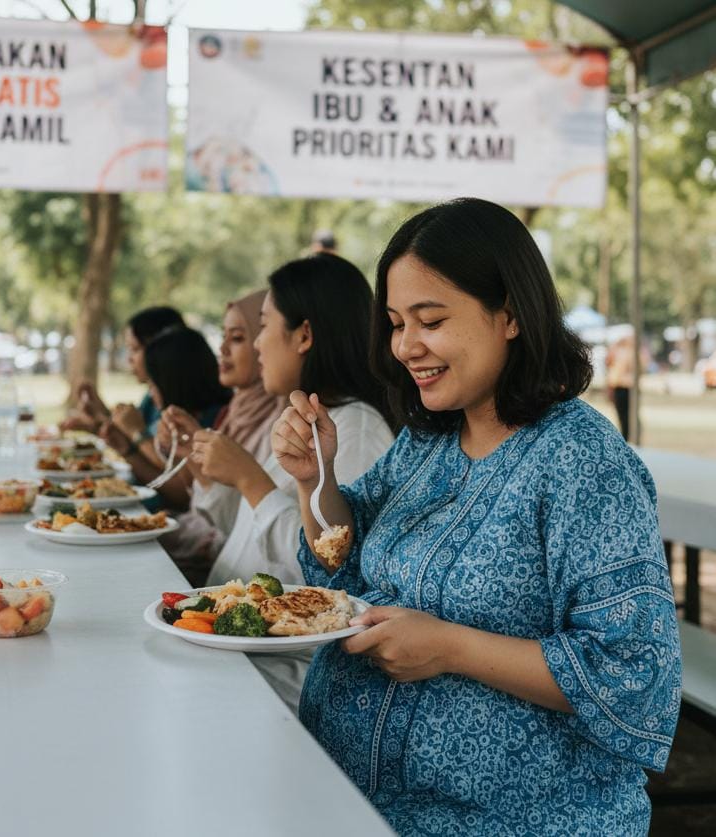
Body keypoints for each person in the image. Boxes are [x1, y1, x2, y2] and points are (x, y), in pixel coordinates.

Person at [273, 198, 680, 834]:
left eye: (430, 320)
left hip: (508, 821)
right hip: (347, 799)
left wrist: (451, 648)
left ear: (510, 315)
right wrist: (314, 479)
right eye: (395, 322)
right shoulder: (425, 441)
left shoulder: (582, 460)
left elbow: (633, 671)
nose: (407, 346)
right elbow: (342, 564)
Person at [172, 254, 396, 710]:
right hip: (236, 644)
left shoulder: (355, 429)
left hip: (284, 669)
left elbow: (327, 570)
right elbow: (243, 526)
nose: (256, 346)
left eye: (264, 326)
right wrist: (205, 471)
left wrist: (251, 480)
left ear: (305, 335)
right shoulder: (300, 421)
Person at [157, 291, 284, 583]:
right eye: (223, 336)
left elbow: (244, 522)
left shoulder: (285, 421)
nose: (222, 349)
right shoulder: (234, 412)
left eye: (238, 337)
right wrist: (189, 448)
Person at [100, 326, 230, 510]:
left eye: (153, 383)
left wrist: (137, 434)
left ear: (172, 380)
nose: (150, 392)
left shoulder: (210, 422)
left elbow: (182, 492)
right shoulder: (180, 415)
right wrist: (127, 449)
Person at [62, 306, 185, 435]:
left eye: (135, 349)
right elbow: (135, 442)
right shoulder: (151, 398)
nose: (129, 359)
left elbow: (147, 445)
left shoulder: (184, 405)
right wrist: (100, 418)